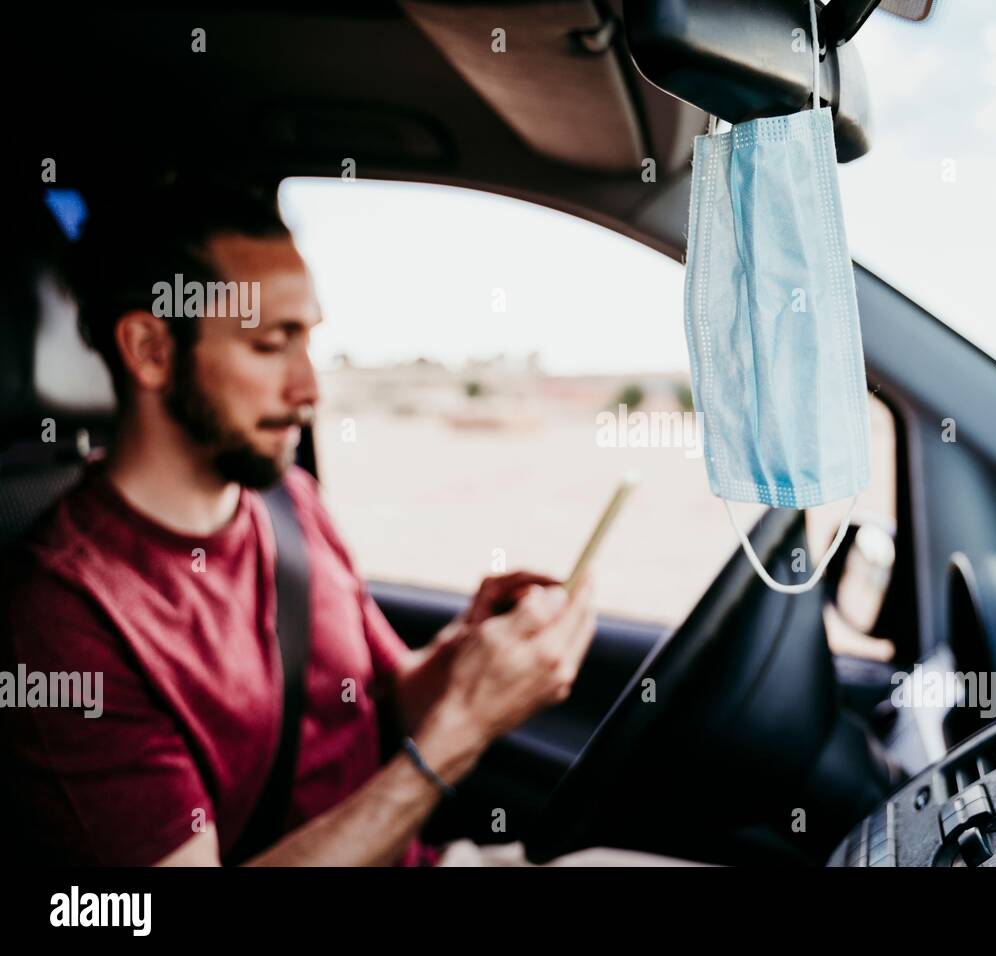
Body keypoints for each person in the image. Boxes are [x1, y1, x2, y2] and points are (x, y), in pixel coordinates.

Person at [0, 179, 677, 867]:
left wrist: (469, 650)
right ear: (149, 349)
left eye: (308, 341)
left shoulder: (289, 502)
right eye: (270, 345)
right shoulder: (62, 619)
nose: (310, 387)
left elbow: (383, 704)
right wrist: (459, 735)